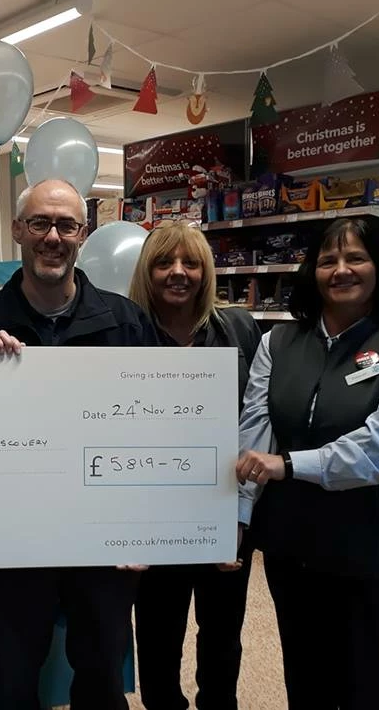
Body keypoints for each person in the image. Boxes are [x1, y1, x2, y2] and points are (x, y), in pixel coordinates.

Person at [0, 178, 158, 710]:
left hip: (102, 542)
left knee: (102, 679)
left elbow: (152, 434)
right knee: (12, 682)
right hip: (11, 544)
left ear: (82, 234)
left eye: (66, 225)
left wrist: (147, 525)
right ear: (18, 230)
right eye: (40, 223)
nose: (53, 237)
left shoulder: (128, 322)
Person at [236, 218, 379, 709]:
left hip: (368, 553)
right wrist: (238, 517)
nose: (340, 270)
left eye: (356, 258)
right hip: (292, 549)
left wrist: (288, 464)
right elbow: (255, 428)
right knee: (303, 678)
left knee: (361, 682)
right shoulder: (278, 343)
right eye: (328, 260)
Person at [127, 222, 260, 710]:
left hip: (223, 509)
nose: (178, 273)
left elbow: (256, 420)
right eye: (164, 263)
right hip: (153, 516)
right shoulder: (125, 333)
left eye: (191, 262)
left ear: (206, 271)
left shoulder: (239, 327)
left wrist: (242, 515)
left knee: (224, 632)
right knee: (158, 634)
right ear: (147, 270)